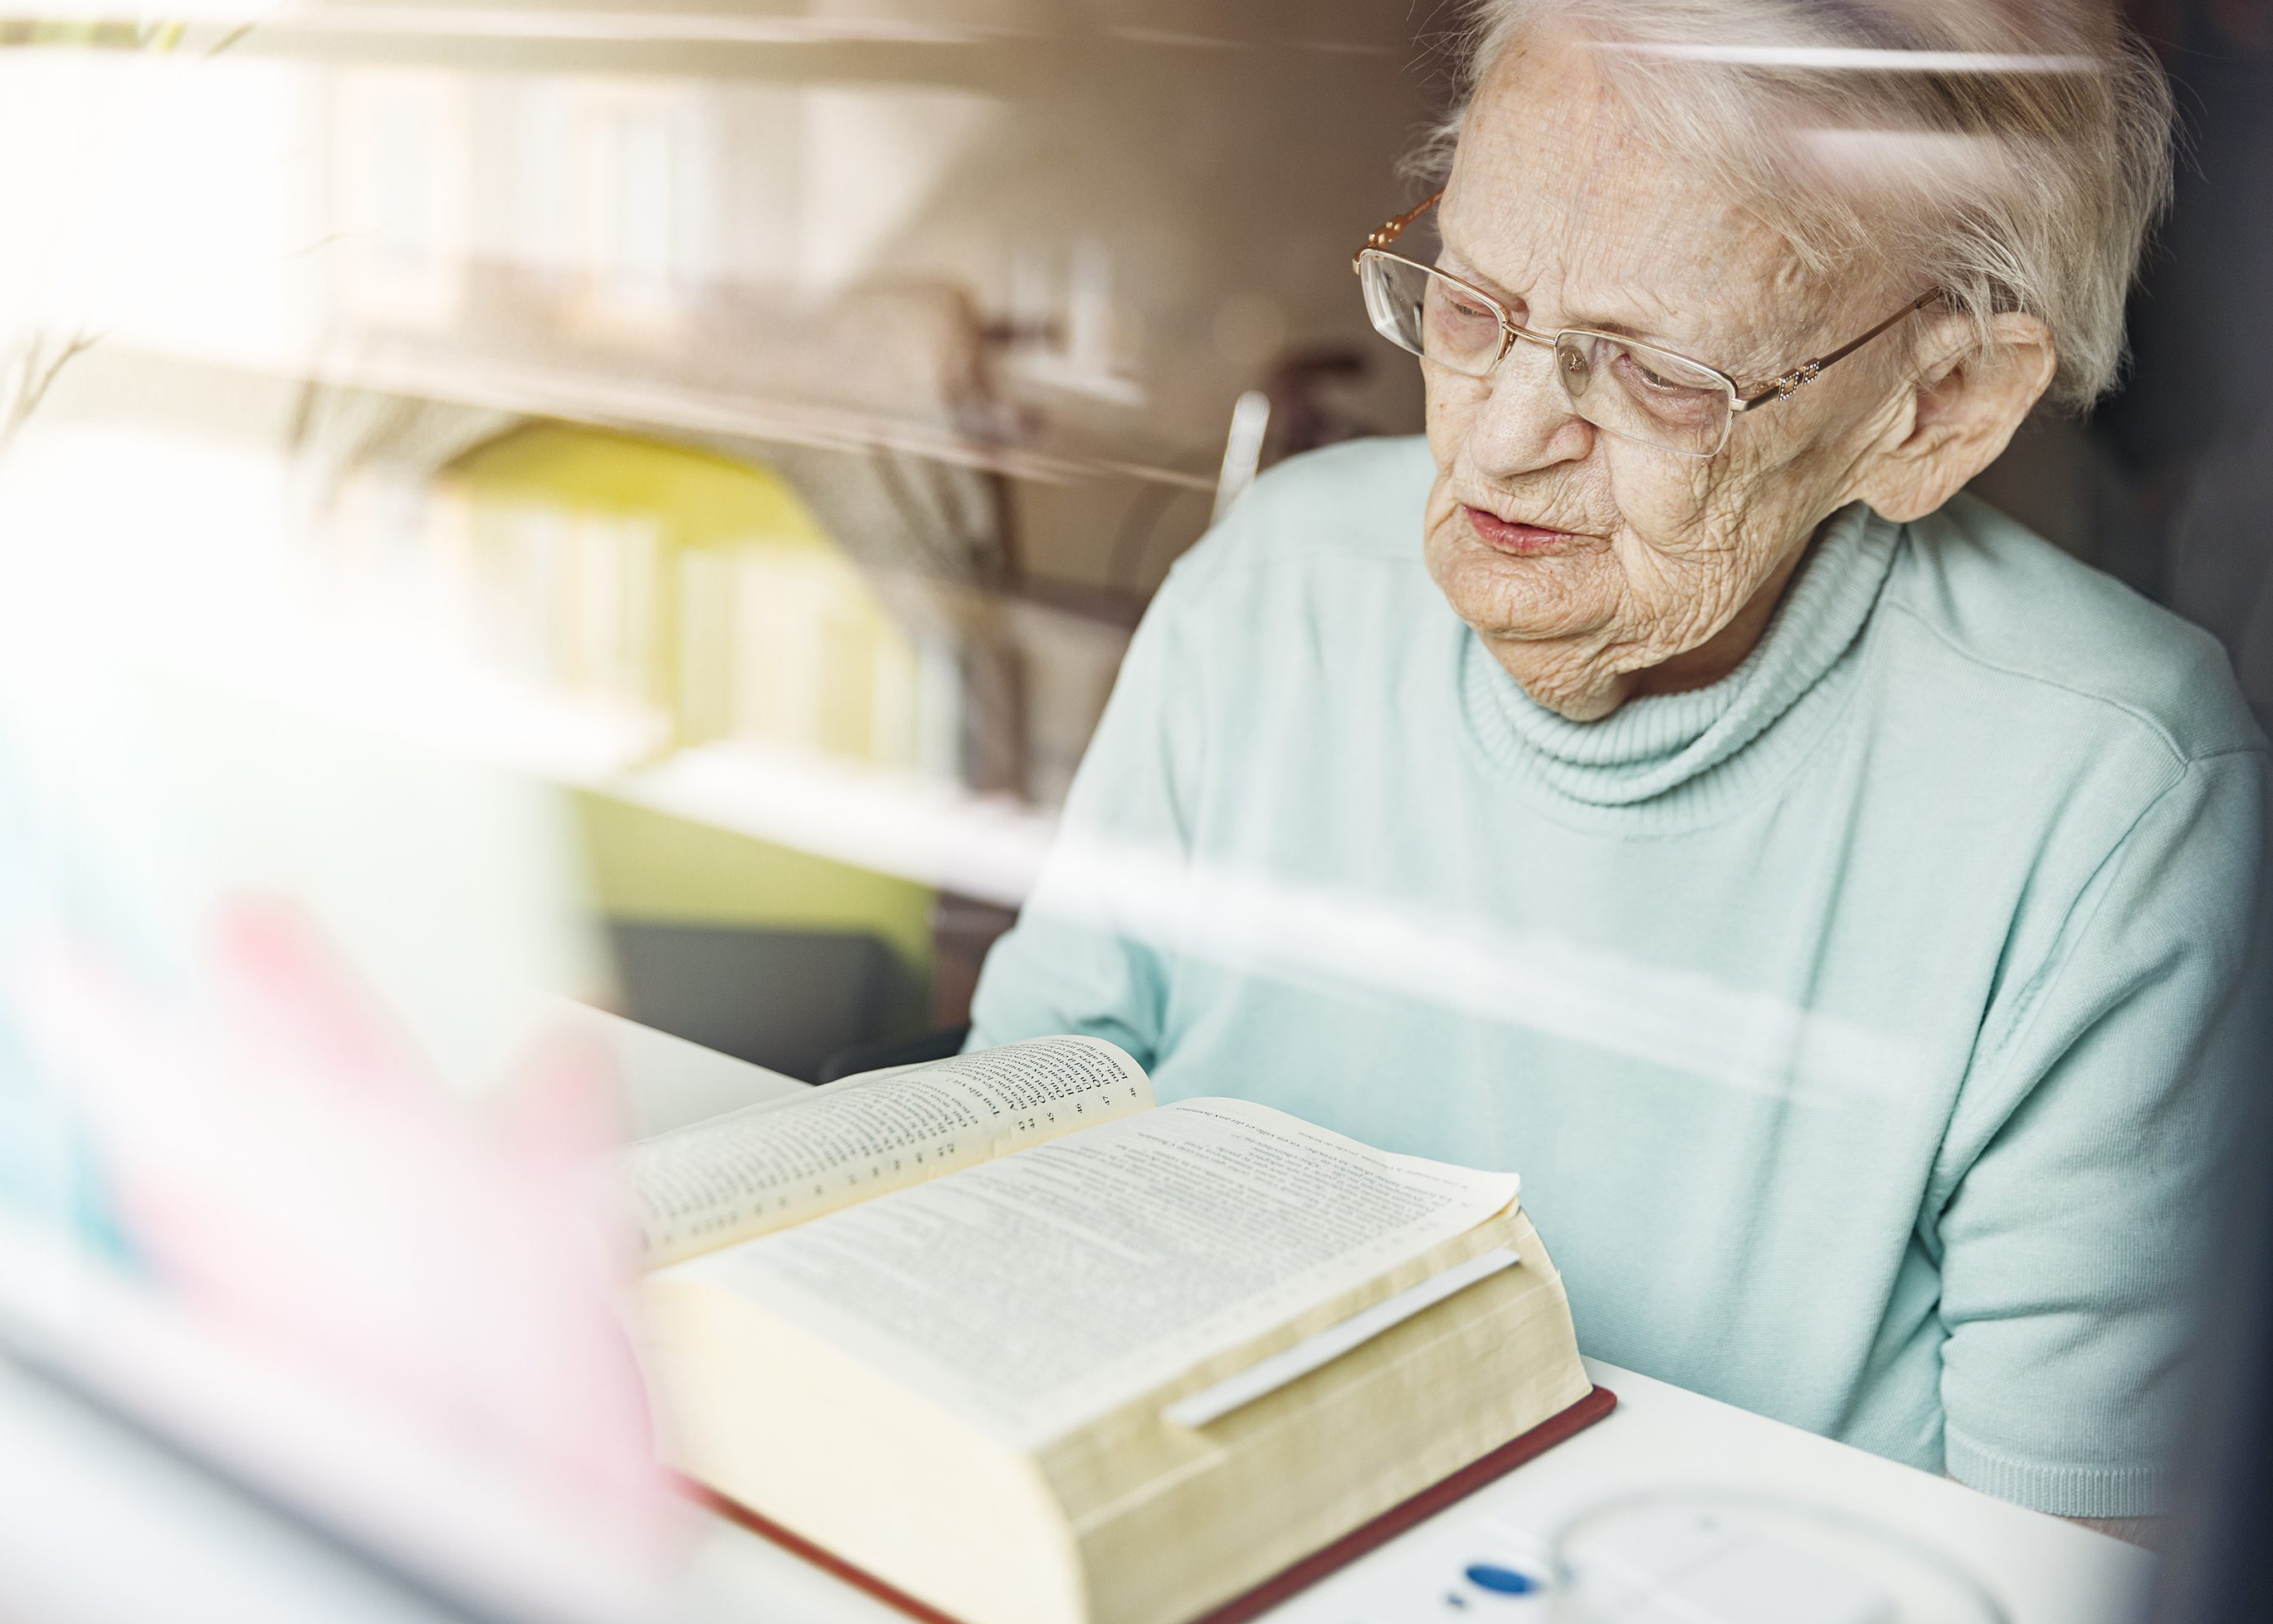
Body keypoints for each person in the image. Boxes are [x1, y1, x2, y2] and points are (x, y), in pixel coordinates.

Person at [968, 0, 2268, 1534]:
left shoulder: (2118, 797)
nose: (1504, 439)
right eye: (1469, 300)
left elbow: (2071, 1573)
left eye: (1653, 373)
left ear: (1937, 407)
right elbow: (1013, 1145)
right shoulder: (1281, 577)